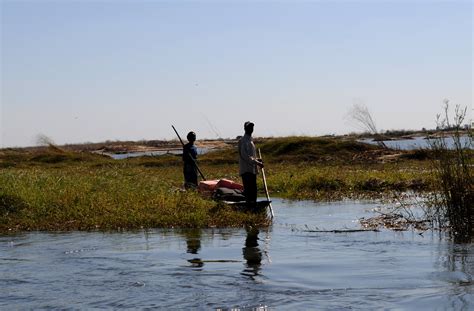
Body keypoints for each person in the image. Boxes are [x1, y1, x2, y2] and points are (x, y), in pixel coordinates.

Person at [238, 121, 264, 204]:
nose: (251, 129)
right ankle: (249, 207)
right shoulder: (243, 140)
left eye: (252, 127)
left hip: (252, 170)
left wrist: (257, 159)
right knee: (249, 191)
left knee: (254, 190)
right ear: (245, 129)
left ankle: (254, 207)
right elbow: (245, 156)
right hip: (246, 170)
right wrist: (257, 162)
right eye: (249, 127)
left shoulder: (250, 140)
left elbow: (251, 156)